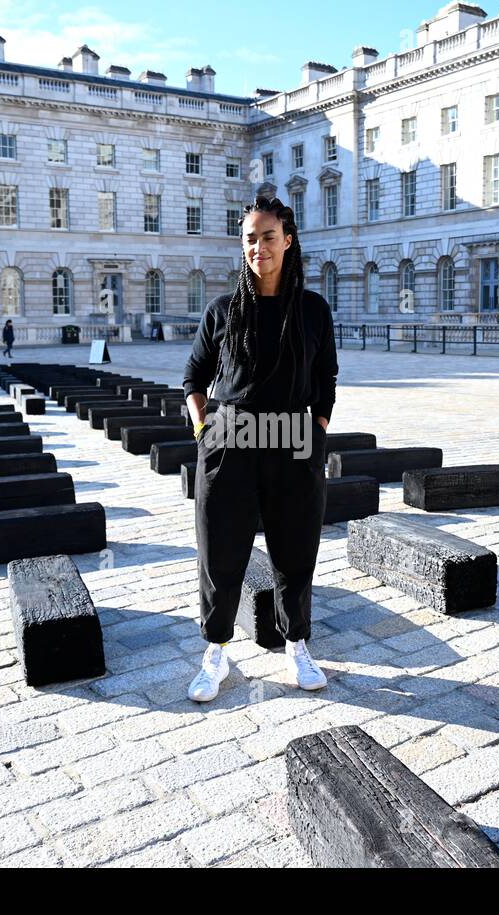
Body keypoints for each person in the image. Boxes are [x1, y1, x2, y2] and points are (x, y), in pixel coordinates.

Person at [182, 194, 338, 703]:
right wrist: (205, 434)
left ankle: (297, 644)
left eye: (268, 237)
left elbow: (326, 378)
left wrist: (316, 431)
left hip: (293, 443)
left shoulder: (313, 311)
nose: (258, 247)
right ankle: (216, 653)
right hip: (230, 444)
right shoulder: (223, 310)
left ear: (287, 241)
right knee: (220, 552)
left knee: (295, 553)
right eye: (250, 238)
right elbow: (193, 379)